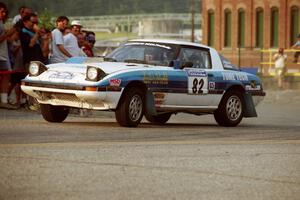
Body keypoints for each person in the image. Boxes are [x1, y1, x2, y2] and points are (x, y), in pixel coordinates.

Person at [0, 2, 16, 109]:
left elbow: (7, 39)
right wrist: (8, 34)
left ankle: (4, 101)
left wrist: (13, 34)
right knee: (5, 77)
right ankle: (3, 101)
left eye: (5, 11)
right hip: (1, 56)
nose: (4, 14)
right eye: (1, 11)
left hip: (3, 55)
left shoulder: (1, 23)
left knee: (6, 77)